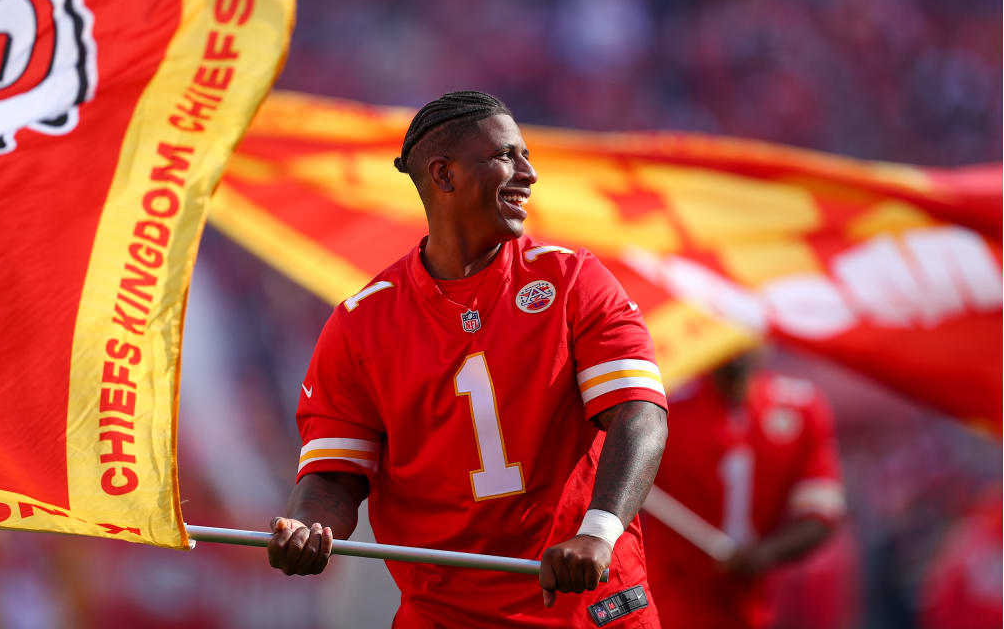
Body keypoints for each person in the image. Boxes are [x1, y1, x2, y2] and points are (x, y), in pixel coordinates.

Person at [266, 91, 670, 628]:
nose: (528, 173)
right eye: (507, 156)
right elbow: (333, 478)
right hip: (446, 615)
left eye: (527, 156)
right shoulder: (360, 322)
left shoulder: (573, 279)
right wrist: (307, 529)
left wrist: (597, 531)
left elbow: (639, 413)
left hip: (588, 605)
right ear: (444, 174)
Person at [642, 349, 845, 629]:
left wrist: (766, 553)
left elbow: (822, 512)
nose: (735, 348)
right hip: (669, 598)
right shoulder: (665, 404)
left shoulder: (800, 407)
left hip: (753, 604)